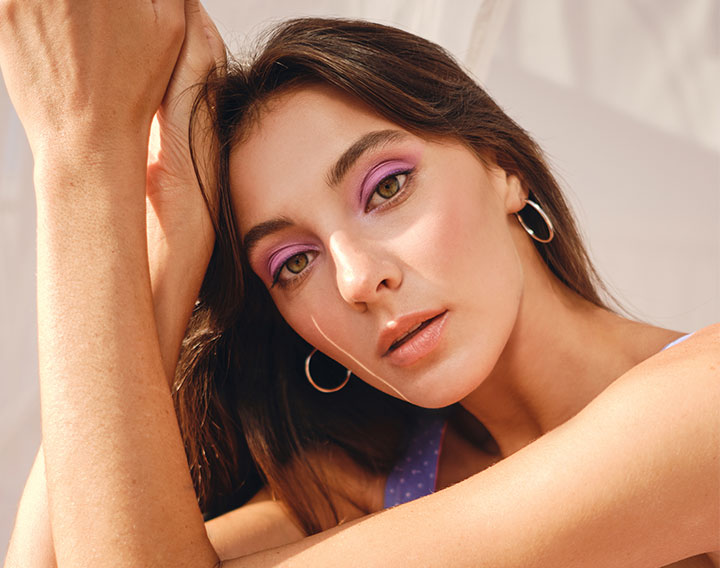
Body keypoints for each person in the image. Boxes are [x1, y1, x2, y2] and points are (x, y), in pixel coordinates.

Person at [2, 2, 718, 567]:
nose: (356, 279)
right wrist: (166, 254)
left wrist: (82, 154)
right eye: (293, 262)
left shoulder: (701, 400)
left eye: (387, 187)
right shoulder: (352, 487)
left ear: (503, 167)